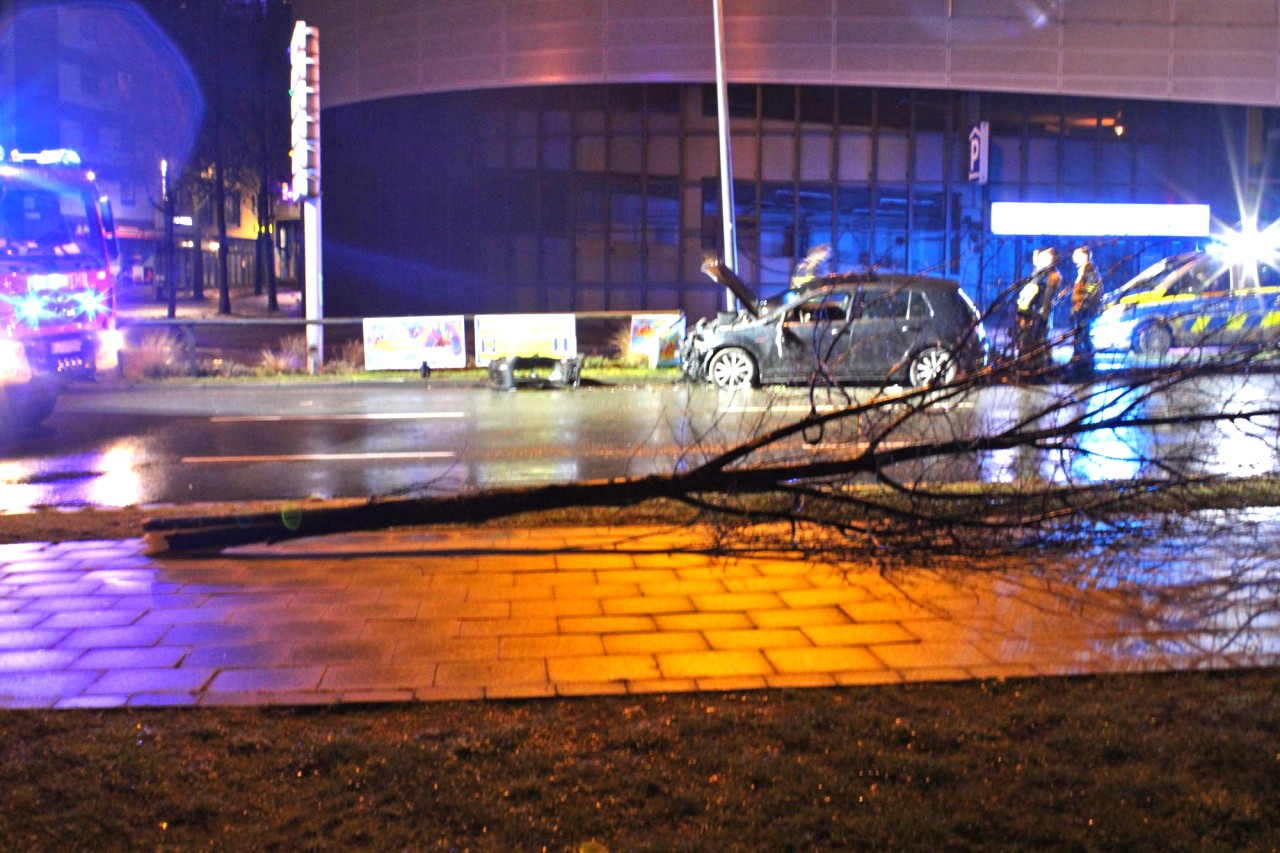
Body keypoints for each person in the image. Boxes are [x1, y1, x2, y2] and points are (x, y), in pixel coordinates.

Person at [1014, 247, 1060, 376]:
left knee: (1035, 343)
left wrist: (1040, 316)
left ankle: (1035, 371)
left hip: (1034, 316)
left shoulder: (1047, 278)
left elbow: (1044, 301)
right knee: (1029, 343)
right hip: (1029, 314)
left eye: (1043, 258)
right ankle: (1030, 369)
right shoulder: (1039, 274)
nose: (1039, 260)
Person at [1068, 246, 1103, 378]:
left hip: (1084, 310)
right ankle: (1081, 365)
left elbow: (1092, 289)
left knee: (1082, 337)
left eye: (1077, 254)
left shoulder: (1089, 271)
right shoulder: (1084, 270)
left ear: (1085, 256)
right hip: (1082, 309)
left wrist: (1082, 306)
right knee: (1081, 337)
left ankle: (1083, 367)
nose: (1073, 257)